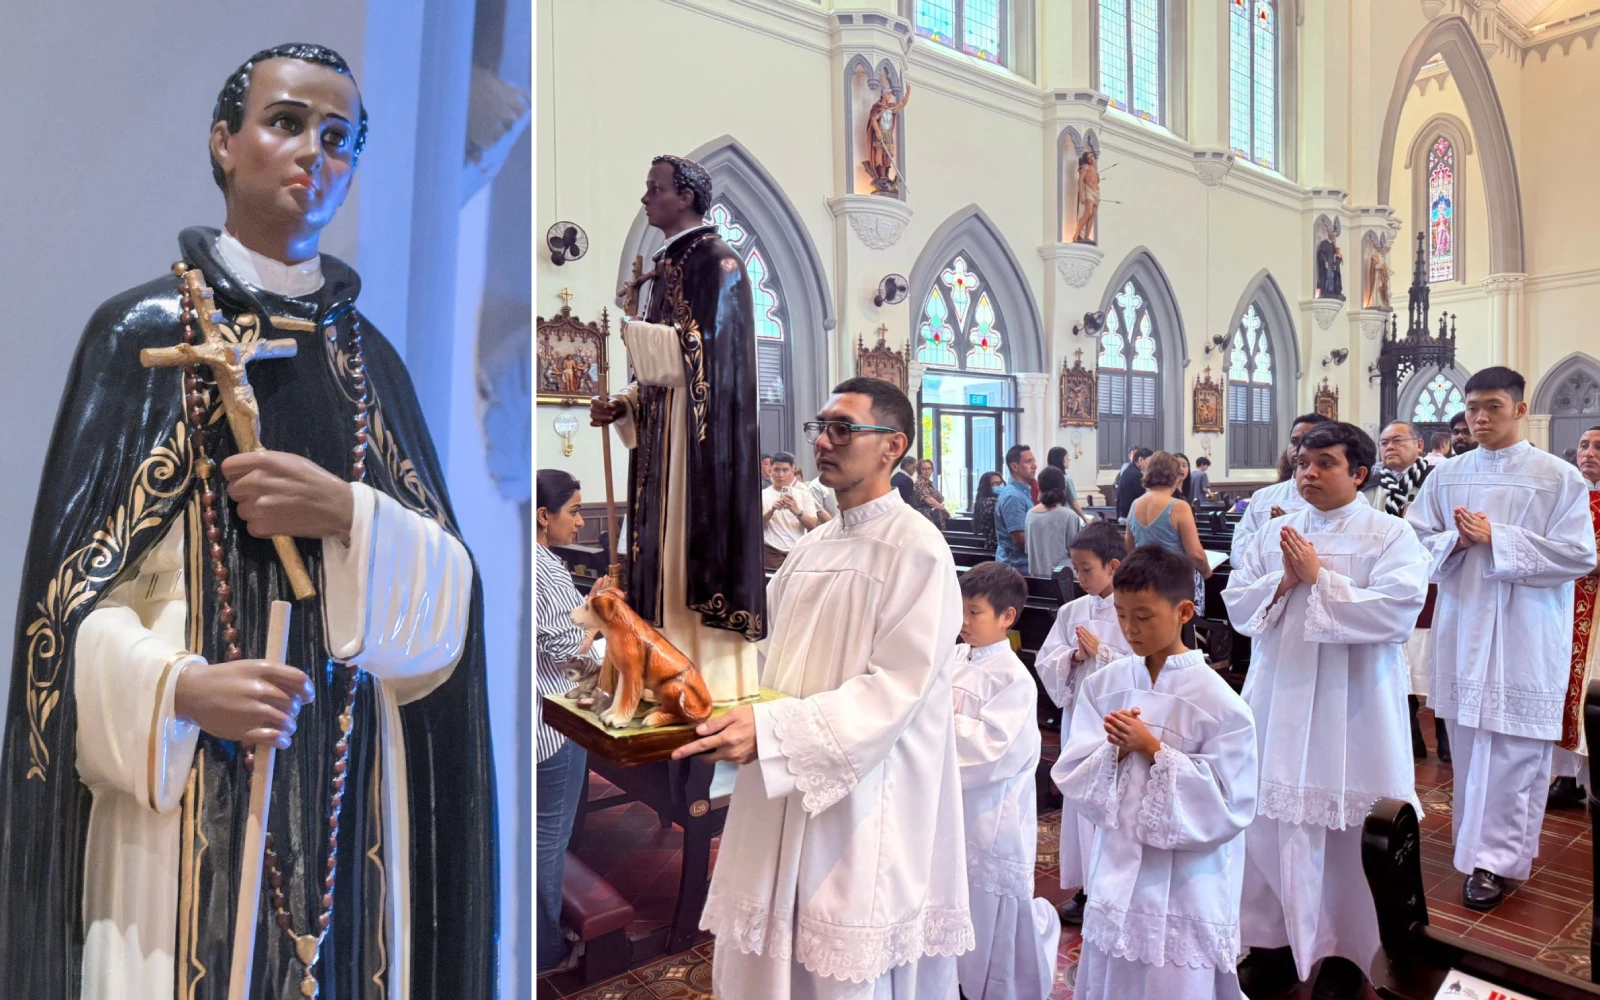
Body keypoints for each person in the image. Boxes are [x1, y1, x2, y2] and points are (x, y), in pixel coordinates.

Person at [0, 44, 495, 996]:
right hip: (174, 814)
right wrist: (177, 691)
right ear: (225, 144)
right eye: (287, 122)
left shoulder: (371, 366)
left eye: (340, 138)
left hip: (345, 827)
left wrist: (348, 513)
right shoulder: (141, 336)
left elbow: (451, 606)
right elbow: (63, 617)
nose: (316, 152)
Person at [678, 377, 972, 997]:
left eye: (844, 429)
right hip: (785, 778)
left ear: (893, 445)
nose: (824, 443)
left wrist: (774, 731)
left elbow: (898, 687)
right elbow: (762, 652)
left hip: (862, 798)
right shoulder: (812, 546)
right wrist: (684, 670)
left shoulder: (918, 549)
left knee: (836, 965)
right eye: (821, 428)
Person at [1223, 423, 1431, 1000]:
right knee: (1270, 823)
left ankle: (1347, 955)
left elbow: (1397, 612)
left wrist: (1321, 580)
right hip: (1280, 693)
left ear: (1359, 474)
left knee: (1349, 833)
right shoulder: (1276, 533)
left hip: (1355, 707)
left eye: (1323, 464)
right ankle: (1273, 944)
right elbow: (1240, 603)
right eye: (1301, 463)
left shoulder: (1390, 535)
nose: (1307, 473)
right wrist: (1284, 582)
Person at [1406, 367, 1598, 910]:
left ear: (1519, 409)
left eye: (1492, 407)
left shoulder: (1558, 478)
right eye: (1472, 409)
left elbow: (1579, 555)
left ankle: (1497, 862)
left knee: (1516, 750)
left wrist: (1499, 539)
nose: (1480, 418)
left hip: (1527, 629)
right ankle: (1472, 850)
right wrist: (1457, 544)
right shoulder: (1447, 475)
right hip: (1465, 626)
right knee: (1466, 748)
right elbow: (1417, 542)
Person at [590, 153, 767, 706]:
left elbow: (712, 362)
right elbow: (660, 380)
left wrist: (635, 337)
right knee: (656, 559)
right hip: (664, 443)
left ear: (685, 196)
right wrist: (623, 405)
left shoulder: (718, 262)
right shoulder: (665, 265)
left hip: (700, 450)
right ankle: (651, 670)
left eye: (655, 189)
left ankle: (699, 675)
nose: (646, 199)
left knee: (684, 554)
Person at [1053, 545, 1258, 1000]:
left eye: (1143, 617)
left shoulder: (1220, 702)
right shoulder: (1105, 684)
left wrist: (1153, 750)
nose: (1129, 629)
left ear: (1184, 611)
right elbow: (1072, 769)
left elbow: (1233, 803)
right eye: (1122, 615)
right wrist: (1114, 754)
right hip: (1117, 862)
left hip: (1187, 884)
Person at [951, 562, 1062, 1000]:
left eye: (974, 612)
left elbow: (992, 751)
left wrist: (942, 725)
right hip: (951, 810)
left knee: (988, 913)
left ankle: (995, 988)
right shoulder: (955, 657)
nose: (962, 622)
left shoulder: (1013, 678)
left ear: (1007, 618)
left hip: (989, 817)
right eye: (959, 610)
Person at [1033, 522, 1132, 927]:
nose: (1078, 577)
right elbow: (1046, 659)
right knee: (1081, 807)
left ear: (1112, 566)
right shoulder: (1071, 611)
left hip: (1118, 725)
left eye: (1086, 568)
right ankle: (1087, 890)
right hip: (1080, 722)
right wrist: (1072, 659)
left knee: (1117, 806)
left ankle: (1118, 888)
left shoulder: (1135, 607)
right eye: (1074, 568)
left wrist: (1103, 653)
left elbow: (1149, 666)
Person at [536, 471, 605, 973]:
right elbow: (569, 655)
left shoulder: (517, 557)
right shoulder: (549, 569)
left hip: (527, 720)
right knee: (548, 840)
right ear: (544, 516)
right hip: (554, 723)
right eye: (574, 511)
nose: (581, 521)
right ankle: (547, 951)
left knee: (535, 834)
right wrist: (598, 618)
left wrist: (582, 607)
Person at [1548, 426, 1600, 810]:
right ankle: (1568, 779)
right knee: (1566, 688)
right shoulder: (1567, 496)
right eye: (1583, 445)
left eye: (1598, 446)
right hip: (1567, 603)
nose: (1589, 452)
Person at [1230, 413, 1333, 567]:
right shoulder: (1262, 498)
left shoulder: (1344, 498)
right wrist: (1270, 533)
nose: (1299, 448)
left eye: (1309, 441)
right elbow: (1237, 554)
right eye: (1294, 441)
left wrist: (1294, 533)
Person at [1126, 452, 1213, 627]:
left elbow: (1130, 549)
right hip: (1176, 584)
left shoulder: (1135, 505)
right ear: (1174, 476)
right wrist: (1207, 572)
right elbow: (1195, 554)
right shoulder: (1178, 507)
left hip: (1147, 583)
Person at [761, 450, 820, 570]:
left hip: (797, 551)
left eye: (785, 470)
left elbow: (812, 524)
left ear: (793, 471)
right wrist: (771, 510)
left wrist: (797, 511)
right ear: (770, 470)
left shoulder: (804, 495)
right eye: (776, 470)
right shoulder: (761, 495)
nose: (780, 475)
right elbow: (756, 525)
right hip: (772, 551)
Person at [1026, 468, 1081, 578]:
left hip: (1036, 579)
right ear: (1064, 486)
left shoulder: (1030, 514)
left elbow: (1028, 549)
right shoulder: (1070, 516)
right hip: (1064, 580)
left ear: (1040, 487)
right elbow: (1076, 553)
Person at [995, 444, 1038, 572]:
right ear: (1015, 466)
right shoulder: (1013, 496)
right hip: (1017, 569)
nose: (1034, 465)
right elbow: (1020, 539)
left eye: (1034, 460)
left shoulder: (1022, 492)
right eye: (1028, 461)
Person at [1377, 421, 1431, 517]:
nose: (1389, 447)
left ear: (1419, 445)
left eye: (1397, 441)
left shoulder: (1434, 478)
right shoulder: (1368, 484)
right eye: (1384, 443)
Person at [1047, 445, 1089, 522]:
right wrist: (1085, 519)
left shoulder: (1045, 478)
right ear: (1060, 460)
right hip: (1065, 518)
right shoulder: (1066, 479)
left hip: (1048, 516)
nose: (1069, 459)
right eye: (1066, 458)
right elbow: (1074, 505)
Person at [913, 457, 952, 530]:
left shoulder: (928, 483)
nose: (927, 471)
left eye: (929, 468)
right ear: (919, 470)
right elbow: (930, 501)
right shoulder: (920, 483)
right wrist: (944, 510)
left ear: (932, 470)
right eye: (924, 469)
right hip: (926, 518)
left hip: (934, 516)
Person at [1114, 447, 1152, 520]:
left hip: (1123, 515)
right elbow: (1142, 499)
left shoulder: (1127, 471)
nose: (1150, 466)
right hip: (1131, 517)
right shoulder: (1137, 475)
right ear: (1141, 460)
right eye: (1149, 461)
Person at [973, 471, 1004, 552]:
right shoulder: (991, 502)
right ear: (986, 487)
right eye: (995, 484)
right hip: (995, 548)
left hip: (991, 546)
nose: (1000, 486)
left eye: (1001, 483)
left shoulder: (983, 501)